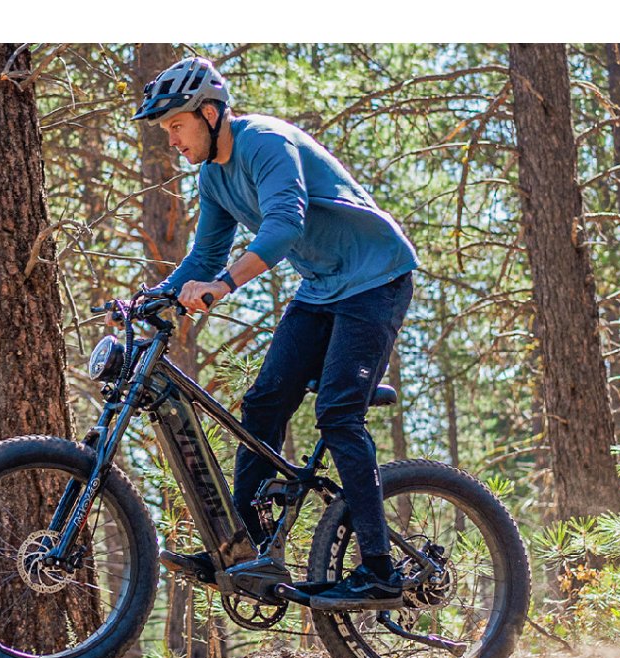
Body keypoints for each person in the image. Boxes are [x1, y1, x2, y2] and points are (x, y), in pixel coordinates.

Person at [131, 57, 419, 609]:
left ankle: (380, 571)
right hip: (323, 288)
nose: (172, 140)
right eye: (166, 130)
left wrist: (223, 286)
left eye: (177, 125)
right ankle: (247, 552)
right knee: (263, 404)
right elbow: (205, 255)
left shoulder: (265, 142)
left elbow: (284, 225)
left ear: (210, 114)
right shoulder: (213, 176)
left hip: (376, 277)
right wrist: (153, 297)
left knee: (338, 414)